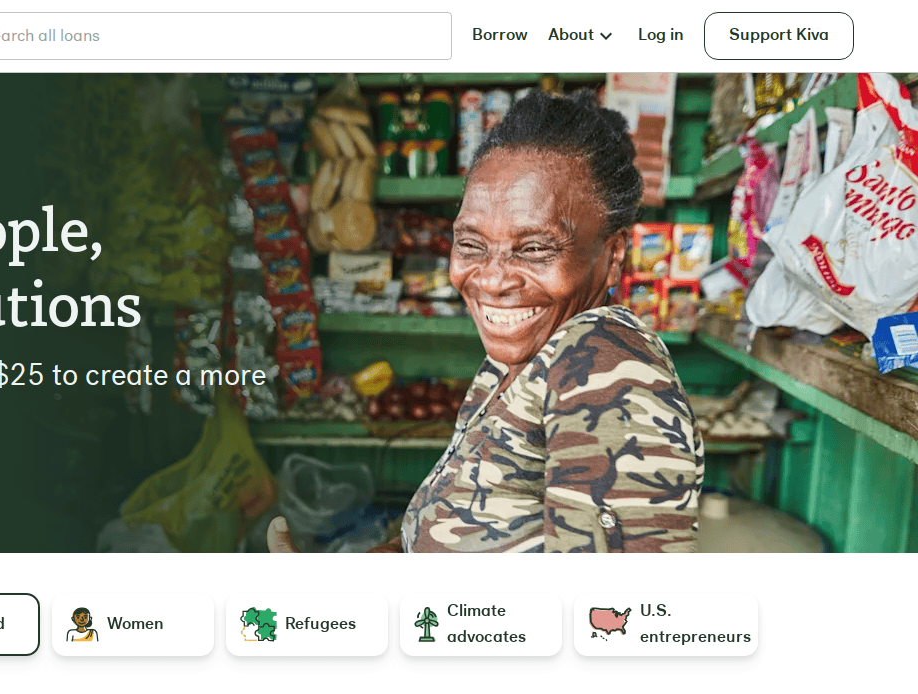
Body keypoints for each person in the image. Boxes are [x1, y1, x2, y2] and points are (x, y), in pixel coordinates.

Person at [270, 90, 704, 553]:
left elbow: (606, 618)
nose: (492, 280)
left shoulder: (606, 367)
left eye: (535, 248)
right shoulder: (520, 358)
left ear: (613, 254)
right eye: (472, 244)